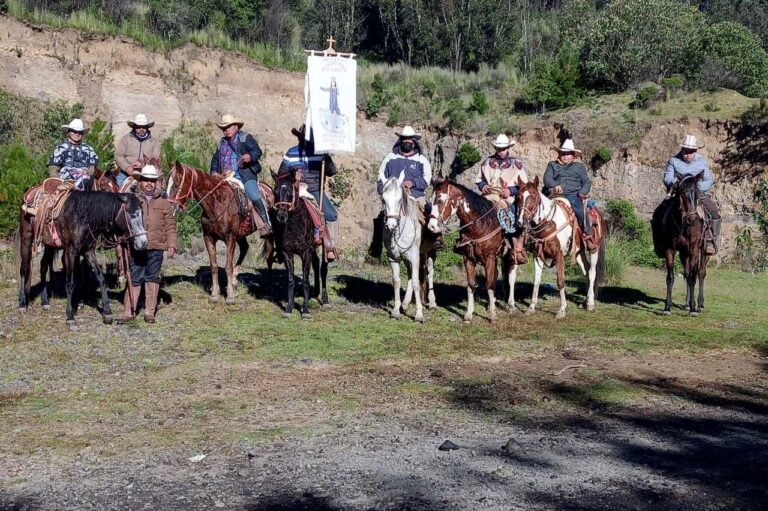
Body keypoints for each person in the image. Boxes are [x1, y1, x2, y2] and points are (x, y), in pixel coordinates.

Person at [118, 164, 178, 324]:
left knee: (152, 278)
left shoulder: (164, 203)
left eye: (152, 180)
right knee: (135, 277)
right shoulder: (132, 200)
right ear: (141, 181)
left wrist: (172, 244)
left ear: (156, 182)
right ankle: (129, 311)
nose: (149, 183)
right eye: (146, 180)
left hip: (157, 246)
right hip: (137, 246)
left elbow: (170, 225)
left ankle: (149, 312)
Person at [278, 125, 339, 262]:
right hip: (294, 190)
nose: (305, 140)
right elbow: (281, 174)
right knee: (278, 209)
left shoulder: (320, 153)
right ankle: (278, 245)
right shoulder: (291, 153)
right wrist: (293, 175)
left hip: (314, 189)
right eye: (302, 137)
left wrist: (327, 159)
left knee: (331, 214)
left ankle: (331, 247)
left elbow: (332, 171)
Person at [377, 125, 443, 249]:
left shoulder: (421, 159)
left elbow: (427, 178)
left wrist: (413, 183)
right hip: (394, 197)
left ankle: (436, 238)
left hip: (415, 196)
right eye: (404, 139)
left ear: (414, 142)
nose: (407, 141)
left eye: (410, 139)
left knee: (428, 210)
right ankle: (377, 245)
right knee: (380, 216)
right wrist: (383, 191)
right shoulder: (390, 158)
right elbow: (380, 177)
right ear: (400, 140)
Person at [210, 114, 271, 235]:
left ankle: (266, 222)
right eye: (224, 128)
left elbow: (257, 151)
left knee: (254, 196)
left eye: (228, 126)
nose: (226, 130)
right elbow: (215, 160)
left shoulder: (245, 138)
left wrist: (250, 156)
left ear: (236, 126)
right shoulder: (221, 143)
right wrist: (214, 172)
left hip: (244, 175)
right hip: (224, 177)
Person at [664, 134, 721, 254]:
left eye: (691, 151)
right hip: (679, 194)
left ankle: (711, 240)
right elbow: (667, 177)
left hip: (697, 194)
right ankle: (661, 240)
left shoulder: (701, 162)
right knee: (660, 211)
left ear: (695, 151)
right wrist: (677, 184)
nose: (688, 154)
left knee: (714, 212)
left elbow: (709, 180)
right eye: (686, 151)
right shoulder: (673, 161)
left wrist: (696, 188)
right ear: (682, 149)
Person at [476, 133, 528, 263]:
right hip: (488, 196)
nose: (501, 151)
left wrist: (510, 190)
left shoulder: (516, 164)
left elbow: (524, 185)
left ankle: (516, 247)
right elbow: (479, 180)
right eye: (499, 149)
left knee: (515, 217)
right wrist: (483, 186)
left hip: (507, 198)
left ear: (508, 148)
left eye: (503, 149)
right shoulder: (486, 162)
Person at [543, 139, 592, 237]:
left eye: (568, 154)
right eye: (563, 153)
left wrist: (582, 192)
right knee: (538, 209)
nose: (565, 156)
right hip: (554, 193)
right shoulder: (552, 165)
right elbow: (547, 178)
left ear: (573, 156)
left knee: (580, 211)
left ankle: (586, 232)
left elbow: (586, 181)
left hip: (572, 194)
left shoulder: (579, 167)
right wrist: (554, 185)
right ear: (559, 154)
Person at [47, 118, 99, 190]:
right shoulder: (61, 148)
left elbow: (92, 168)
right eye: (74, 131)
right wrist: (57, 182)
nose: (77, 134)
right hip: (65, 179)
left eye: (80, 132)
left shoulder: (89, 149)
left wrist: (85, 172)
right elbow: (53, 167)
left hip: (85, 179)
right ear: (69, 132)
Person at [115, 113, 162, 187]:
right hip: (127, 172)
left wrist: (143, 164)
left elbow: (156, 158)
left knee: (160, 189)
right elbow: (118, 155)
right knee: (117, 187)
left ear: (147, 128)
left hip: (147, 172)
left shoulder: (153, 142)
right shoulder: (126, 139)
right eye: (138, 127)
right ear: (134, 127)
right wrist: (127, 167)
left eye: (144, 127)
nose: (141, 129)